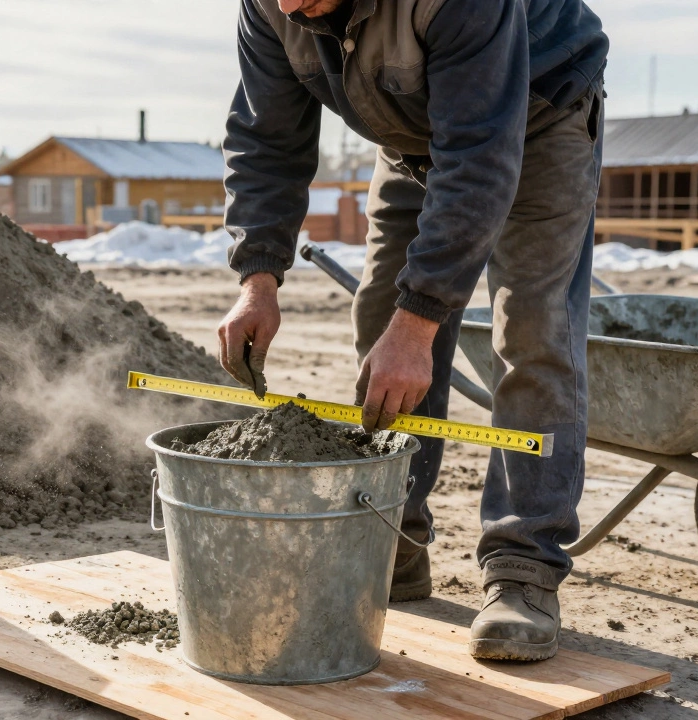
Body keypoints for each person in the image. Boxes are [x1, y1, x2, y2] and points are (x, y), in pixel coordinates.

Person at [216, 0, 608, 661]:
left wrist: (421, 319)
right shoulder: (269, 6)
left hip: (539, 114)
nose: (286, 4)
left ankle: (523, 568)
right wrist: (258, 278)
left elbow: (479, 156)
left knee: (532, 329)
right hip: (412, 136)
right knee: (380, 317)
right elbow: (265, 139)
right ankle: (392, 537)